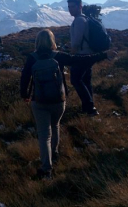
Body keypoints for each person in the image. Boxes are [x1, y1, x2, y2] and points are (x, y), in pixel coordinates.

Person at [20, 29, 115, 179]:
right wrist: (104, 55)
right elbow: (81, 59)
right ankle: (55, 153)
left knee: (44, 135)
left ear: (37, 42)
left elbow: (25, 78)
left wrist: (24, 95)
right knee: (55, 125)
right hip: (59, 100)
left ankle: (46, 169)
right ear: (52, 41)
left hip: (39, 102)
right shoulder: (59, 56)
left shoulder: (32, 58)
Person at [67, 0, 99, 116]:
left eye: (73, 6)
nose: (70, 9)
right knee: (86, 81)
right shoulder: (85, 19)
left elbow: (76, 42)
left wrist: (71, 55)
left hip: (81, 55)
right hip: (89, 54)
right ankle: (88, 107)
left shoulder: (79, 20)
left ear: (80, 7)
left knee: (75, 80)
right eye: (69, 7)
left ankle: (90, 108)